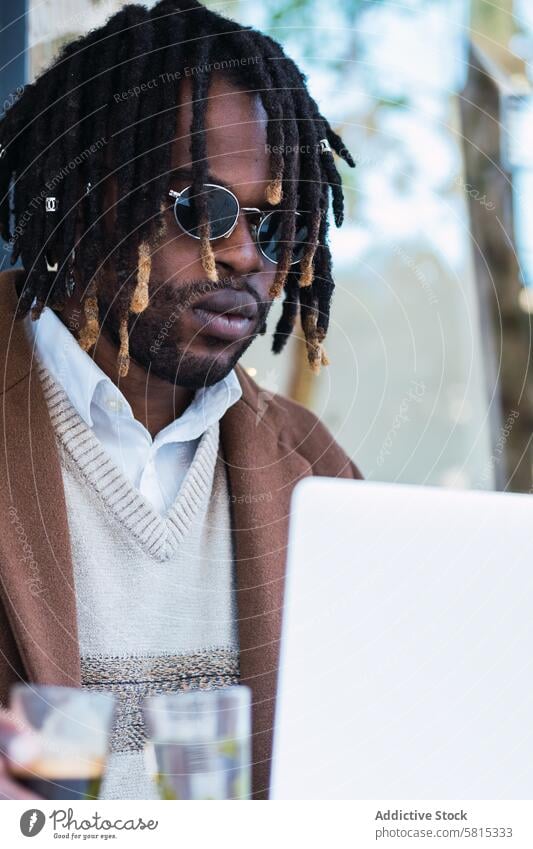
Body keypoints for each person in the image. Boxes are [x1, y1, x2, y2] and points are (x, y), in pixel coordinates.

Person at [0, 0, 362, 800]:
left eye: (275, 228)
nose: (242, 256)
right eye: (204, 209)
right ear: (94, 194)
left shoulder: (316, 473)